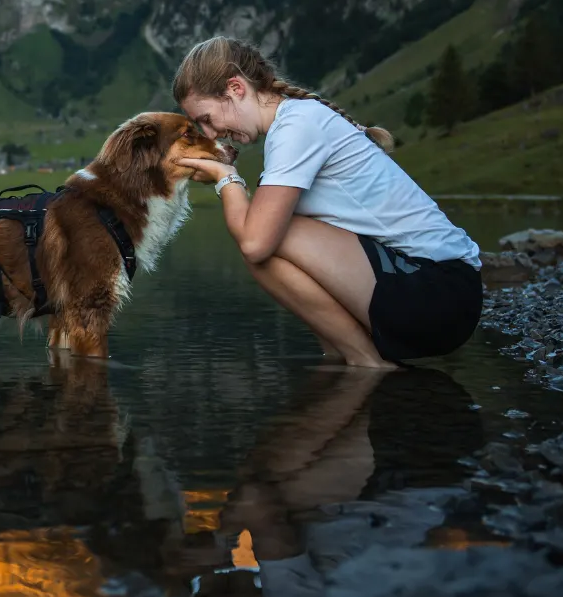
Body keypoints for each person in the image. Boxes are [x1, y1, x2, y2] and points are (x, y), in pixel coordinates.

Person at [172, 36, 482, 368]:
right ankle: (344, 360)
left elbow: (255, 243)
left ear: (235, 88)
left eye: (206, 118)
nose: (211, 133)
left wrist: (225, 178)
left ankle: (365, 363)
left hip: (439, 294)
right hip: (434, 292)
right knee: (267, 228)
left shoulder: (297, 126)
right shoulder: (295, 123)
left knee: (264, 240)